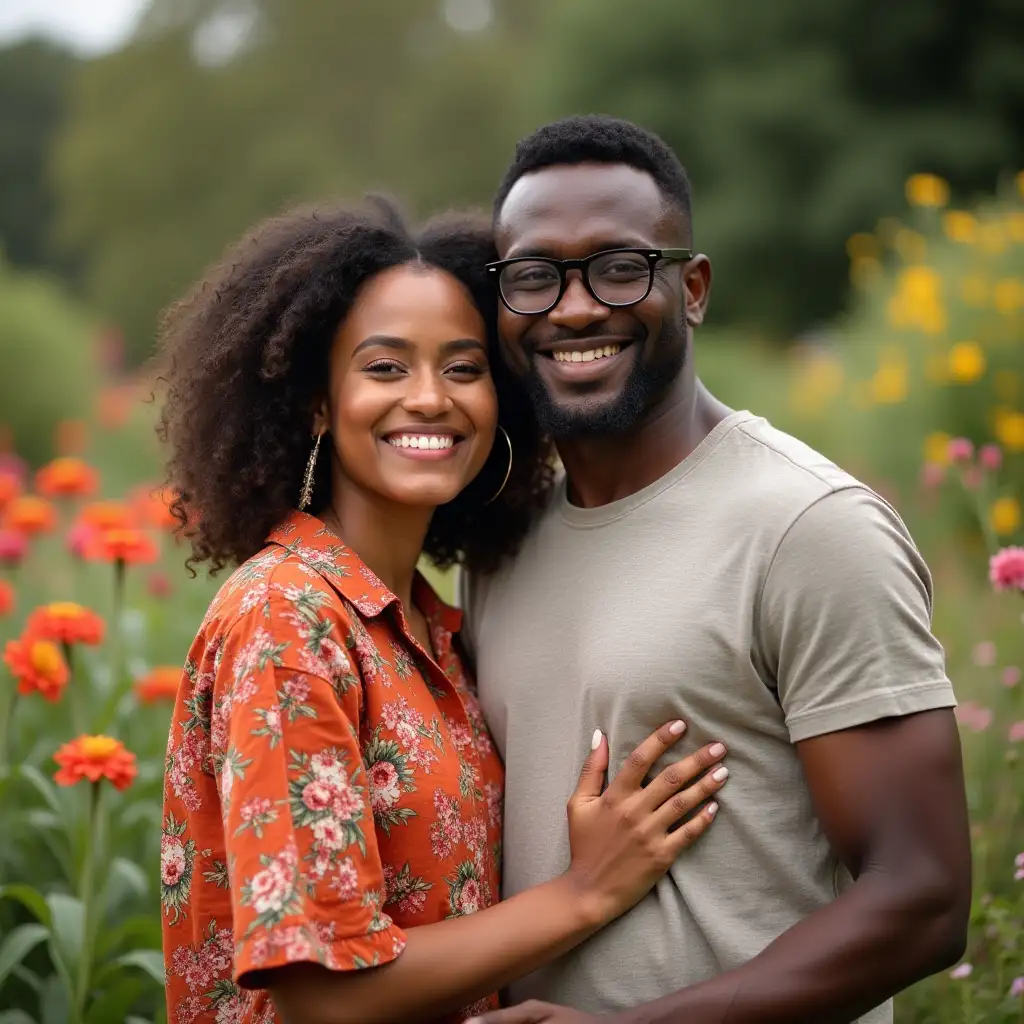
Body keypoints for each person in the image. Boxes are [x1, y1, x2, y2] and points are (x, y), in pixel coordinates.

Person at [156, 197, 732, 1024]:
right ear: (317, 403)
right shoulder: (288, 620)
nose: (430, 399)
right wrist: (584, 893)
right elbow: (323, 991)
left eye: (464, 369)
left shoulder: (425, 624)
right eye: (385, 368)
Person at [460, 115, 972, 1024]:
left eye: (619, 267)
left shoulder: (808, 529)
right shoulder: (507, 542)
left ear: (690, 289)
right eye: (534, 276)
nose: (575, 308)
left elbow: (922, 901)